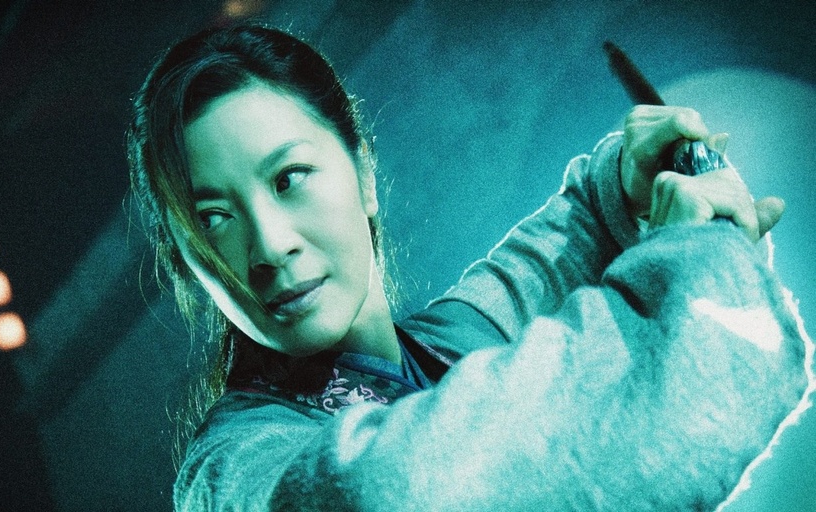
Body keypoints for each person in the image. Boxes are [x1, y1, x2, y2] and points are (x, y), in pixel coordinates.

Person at [126, 23, 809, 511]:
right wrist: (695, 260)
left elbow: (553, 249)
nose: (270, 247)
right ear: (189, 266)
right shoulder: (234, 472)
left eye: (289, 178)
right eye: (212, 218)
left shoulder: (453, 337)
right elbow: (396, 492)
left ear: (364, 174)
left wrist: (627, 179)